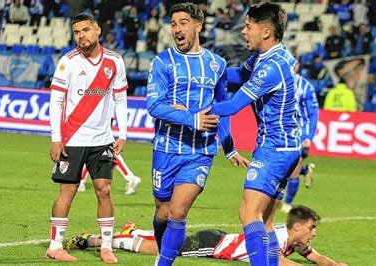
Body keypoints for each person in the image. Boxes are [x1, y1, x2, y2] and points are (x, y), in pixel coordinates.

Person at [146, 3, 249, 265]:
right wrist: (192, 117)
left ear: (198, 25)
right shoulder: (162, 62)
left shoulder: (217, 64)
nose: (177, 29)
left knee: (178, 212)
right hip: (166, 148)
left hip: (200, 152)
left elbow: (221, 109)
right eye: (173, 23)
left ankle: (163, 263)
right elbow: (154, 106)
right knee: (163, 212)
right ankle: (163, 250)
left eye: (183, 22)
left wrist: (230, 146)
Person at [198, 3, 301, 265]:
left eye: (248, 27)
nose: (243, 32)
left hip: (274, 149)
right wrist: (210, 70)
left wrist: (192, 110)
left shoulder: (270, 68)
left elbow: (232, 106)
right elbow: (235, 76)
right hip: (288, 148)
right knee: (265, 222)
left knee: (248, 213)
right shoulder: (270, 57)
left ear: (266, 32)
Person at [47, 12, 129, 263]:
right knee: (67, 191)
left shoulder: (114, 61)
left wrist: (123, 134)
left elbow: (120, 99)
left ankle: (106, 246)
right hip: (72, 139)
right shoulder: (68, 62)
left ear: (97, 31)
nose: (80, 36)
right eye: (76, 32)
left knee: (104, 191)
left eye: (85, 30)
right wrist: (55, 138)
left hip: (102, 140)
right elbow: (56, 101)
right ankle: (55, 246)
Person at [67, 205, 347, 266]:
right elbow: (282, 265)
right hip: (210, 245)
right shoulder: (274, 238)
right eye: (311, 227)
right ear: (296, 227)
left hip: (216, 237)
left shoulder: (293, 240)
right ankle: (106, 239)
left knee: (164, 245)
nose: (314, 233)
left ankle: (132, 232)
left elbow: (318, 258)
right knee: (159, 251)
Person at [281, 60, 319, 213]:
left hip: (300, 134)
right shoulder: (279, 82)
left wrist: (308, 137)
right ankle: (305, 171)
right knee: (283, 169)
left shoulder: (306, 86)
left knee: (293, 170)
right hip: (282, 133)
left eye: (293, 64)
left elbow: (313, 114)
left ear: (297, 66)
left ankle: (288, 204)